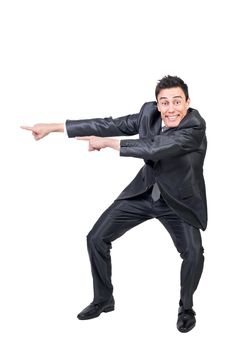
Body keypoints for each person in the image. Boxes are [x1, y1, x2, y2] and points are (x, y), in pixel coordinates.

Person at [21, 75, 207, 333]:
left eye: (177, 101)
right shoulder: (149, 114)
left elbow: (155, 147)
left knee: (194, 253)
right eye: (164, 103)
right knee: (96, 238)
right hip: (144, 191)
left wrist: (109, 145)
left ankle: (186, 308)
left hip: (178, 201)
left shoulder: (195, 128)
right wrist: (53, 127)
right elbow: (110, 124)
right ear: (157, 104)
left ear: (188, 102)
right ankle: (103, 299)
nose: (170, 108)